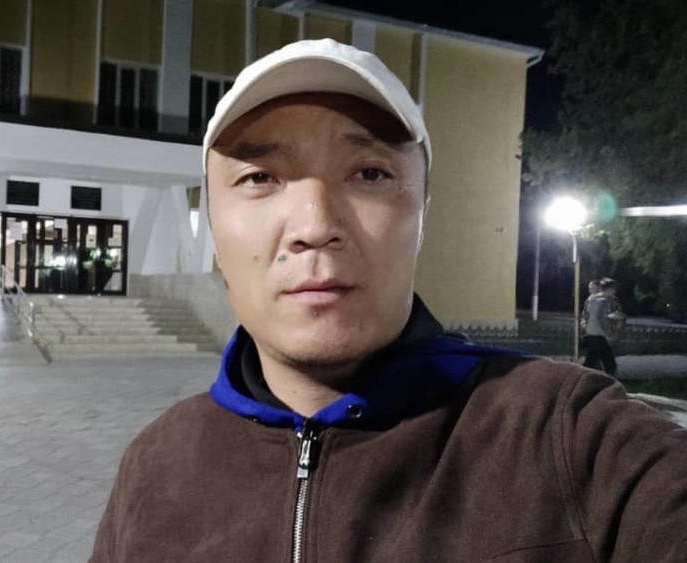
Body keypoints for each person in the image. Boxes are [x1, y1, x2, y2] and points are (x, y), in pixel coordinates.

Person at [91, 39, 687, 562]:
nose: (315, 226)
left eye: (369, 174)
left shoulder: (569, 439)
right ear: (214, 229)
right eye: (259, 178)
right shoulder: (155, 466)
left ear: (422, 211)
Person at [583, 278, 624, 375]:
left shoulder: (591, 299)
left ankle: (582, 377)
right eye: (614, 290)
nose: (614, 292)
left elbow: (587, 315)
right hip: (599, 334)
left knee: (590, 361)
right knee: (610, 363)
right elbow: (600, 318)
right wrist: (608, 334)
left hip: (590, 333)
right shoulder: (603, 301)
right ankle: (610, 380)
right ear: (610, 289)